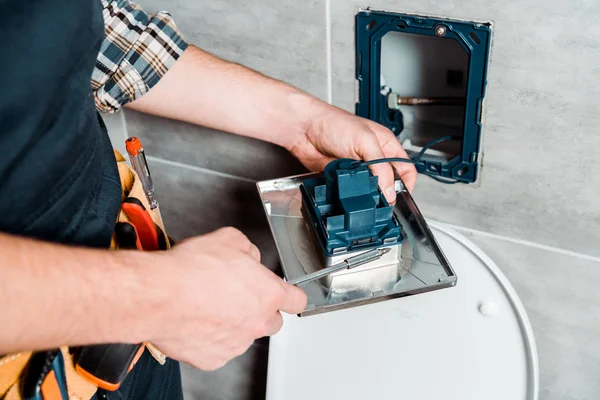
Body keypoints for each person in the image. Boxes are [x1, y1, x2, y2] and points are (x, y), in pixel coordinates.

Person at [0, 0, 417, 398]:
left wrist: (304, 123)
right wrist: (156, 296)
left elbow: (90, 36)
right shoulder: (158, 298)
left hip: (138, 331)